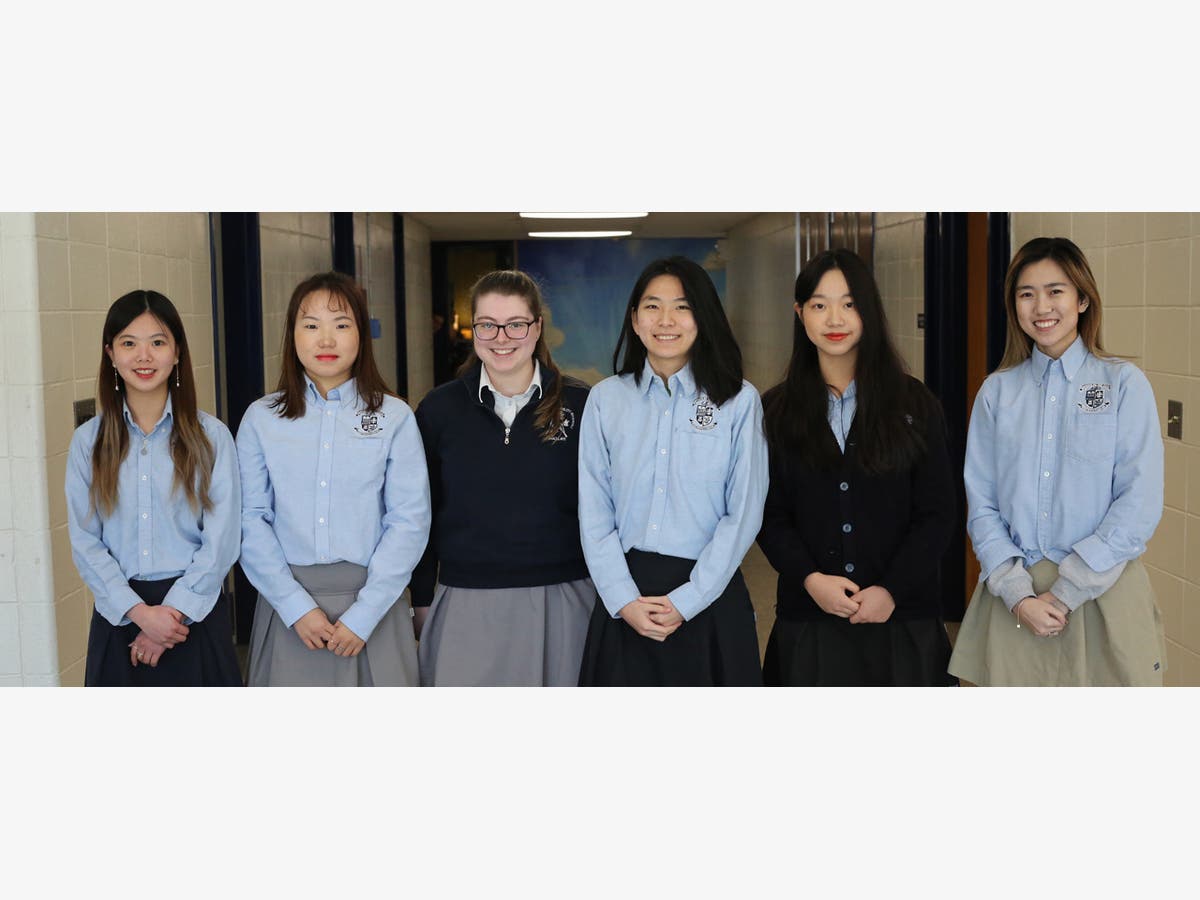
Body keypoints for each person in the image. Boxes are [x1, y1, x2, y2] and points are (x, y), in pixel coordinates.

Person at [949, 237, 1165, 686]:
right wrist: (1017, 593)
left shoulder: (1123, 384)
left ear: (1083, 299)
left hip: (1103, 590)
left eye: (1055, 291)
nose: (1041, 307)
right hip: (1016, 599)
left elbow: (1139, 503)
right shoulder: (997, 393)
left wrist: (1067, 592)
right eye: (1026, 294)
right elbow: (982, 504)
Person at [757, 249, 956, 686]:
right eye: (819, 305)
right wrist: (811, 580)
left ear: (869, 310)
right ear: (800, 313)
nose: (835, 319)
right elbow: (769, 515)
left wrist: (891, 590)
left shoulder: (914, 403)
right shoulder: (774, 410)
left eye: (849, 304)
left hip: (904, 619)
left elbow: (938, 513)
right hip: (809, 619)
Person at [576, 256, 767, 686]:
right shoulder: (606, 400)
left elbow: (743, 513)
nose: (666, 320)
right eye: (653, 306)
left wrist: (689, 600)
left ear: (704, 317)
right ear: (635, 319)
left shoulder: (738, 401)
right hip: (626, 597)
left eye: (683, 307)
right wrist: (622, 598)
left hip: (710, 594)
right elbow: (594, 509)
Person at [238, 271, 430, 686]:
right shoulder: (261, 419)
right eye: (311, 326)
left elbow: (409, 520)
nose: (326, 340)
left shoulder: (394, 417)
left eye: (341, 325)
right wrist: (295, 607)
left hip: (374, 609)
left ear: (361, 334)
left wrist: (365, 614)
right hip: (289, 610)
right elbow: (249, 519)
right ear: (292, 335)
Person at [412, 270, 592, 685]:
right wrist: (421, 597)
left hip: (565, 596)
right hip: (466, 598)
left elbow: (606, 510)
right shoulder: (439, 410)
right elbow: (420, 514)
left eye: (516, 324)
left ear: (537, 327)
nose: (501, 337)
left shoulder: (582, 404)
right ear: (473, 329)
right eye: (487, 325)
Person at [67, 289, 242, 686]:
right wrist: (140, 614)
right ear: (110, 354)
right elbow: (86, 542)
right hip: (119, 618)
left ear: (177, 352)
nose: (143, 357)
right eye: (129, 343)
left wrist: (171, 616)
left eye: (158, 343)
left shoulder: (212, 437)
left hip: (195, 617)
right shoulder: (88, 443)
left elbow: (222, 540)